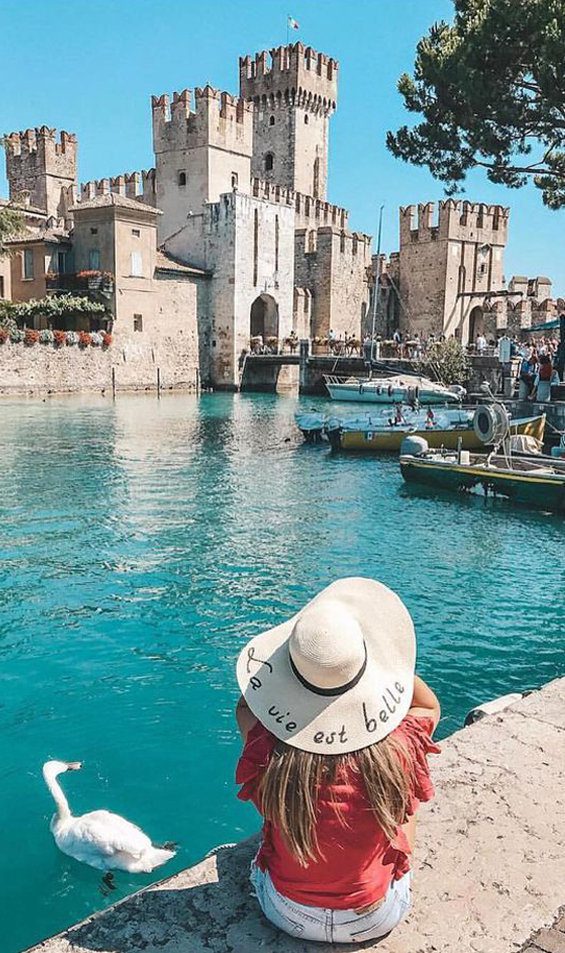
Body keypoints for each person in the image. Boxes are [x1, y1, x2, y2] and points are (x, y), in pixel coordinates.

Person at [235, 578, 441, 944]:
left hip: (285, 912)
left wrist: (289, 678)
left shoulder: (268, 750)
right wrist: (386, 666)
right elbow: (428, 705)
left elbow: (246, 707)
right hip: (375, 916)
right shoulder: (399, 748)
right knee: (404, 795)